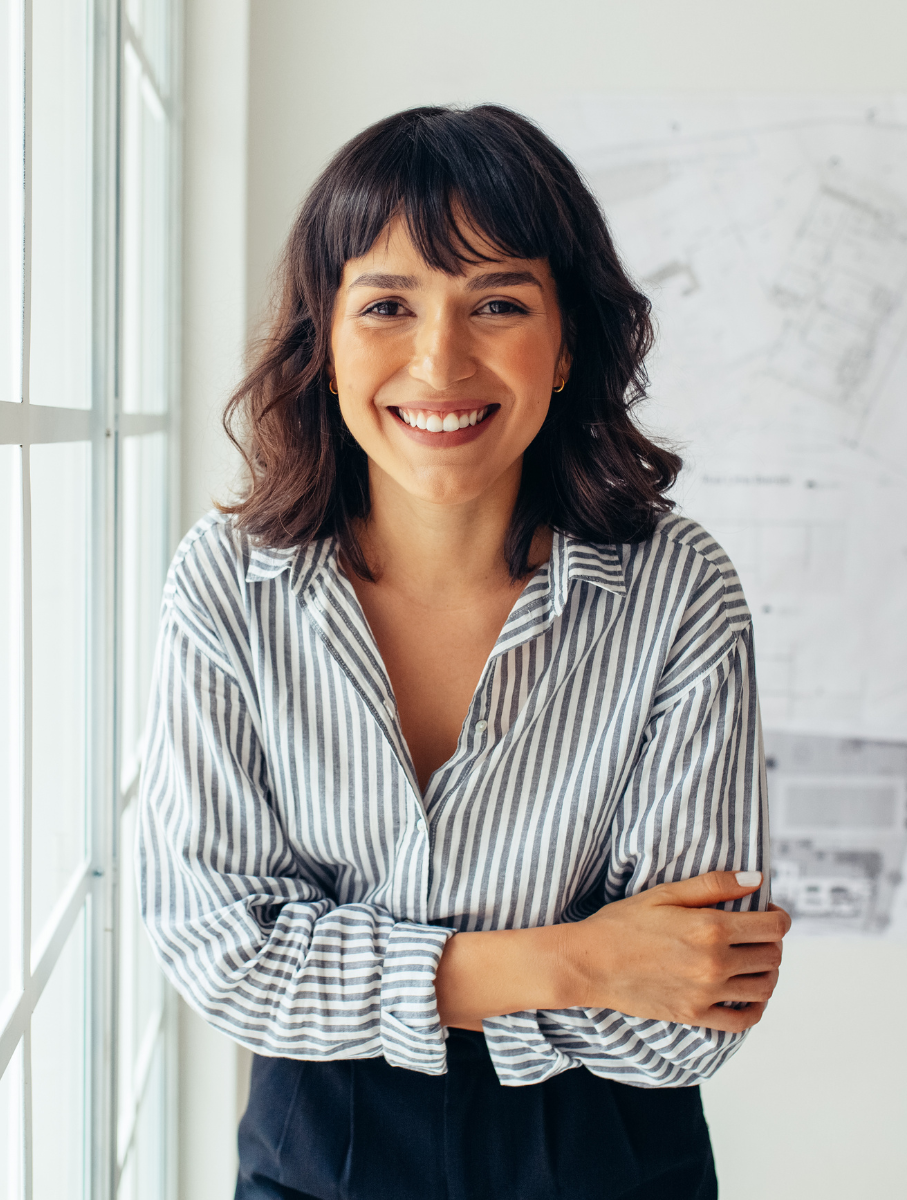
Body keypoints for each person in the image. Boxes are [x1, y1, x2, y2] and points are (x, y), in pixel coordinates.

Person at [138, 104, 788, 1200]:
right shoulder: (228, 583)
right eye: (388, 304)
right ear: (324, 337)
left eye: (497, 302)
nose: (440, 360)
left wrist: (354, 971)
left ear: (568, 339)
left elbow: (687, 1027)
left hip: (609, 1162)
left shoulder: (679, 593)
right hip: (318, 1158)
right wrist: (575, 960)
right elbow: (223, 959)